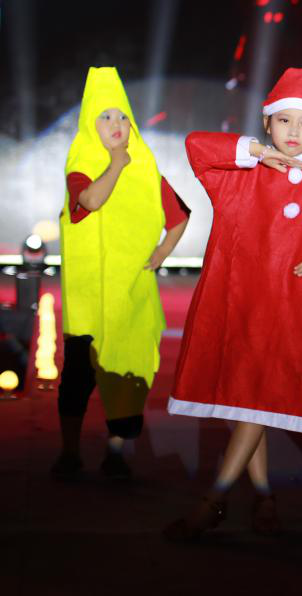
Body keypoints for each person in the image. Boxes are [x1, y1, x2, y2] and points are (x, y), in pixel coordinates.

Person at [163, 68, 302, 540]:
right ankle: (265, 497)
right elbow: (196, 145)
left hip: (286, 309)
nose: (293, 131)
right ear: (267, 123)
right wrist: (254, 152)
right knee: (247, 404)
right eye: (283, 120)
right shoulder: (238, 173)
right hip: (235, 303)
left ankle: (213, 501)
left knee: (253, 405)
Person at [53, 67, 190, 480]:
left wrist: (161, 252)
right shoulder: (83, 162)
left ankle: (115, 453)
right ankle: (70, 452)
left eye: (123, 116)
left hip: (130, 298)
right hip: (88, 302)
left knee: (128, 378)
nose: (116, 124)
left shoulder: (146, 168)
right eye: (105, 116)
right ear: (89, 123)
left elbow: (180, 215)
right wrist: (116, 163)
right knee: (78, 377)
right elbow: (91, 201)